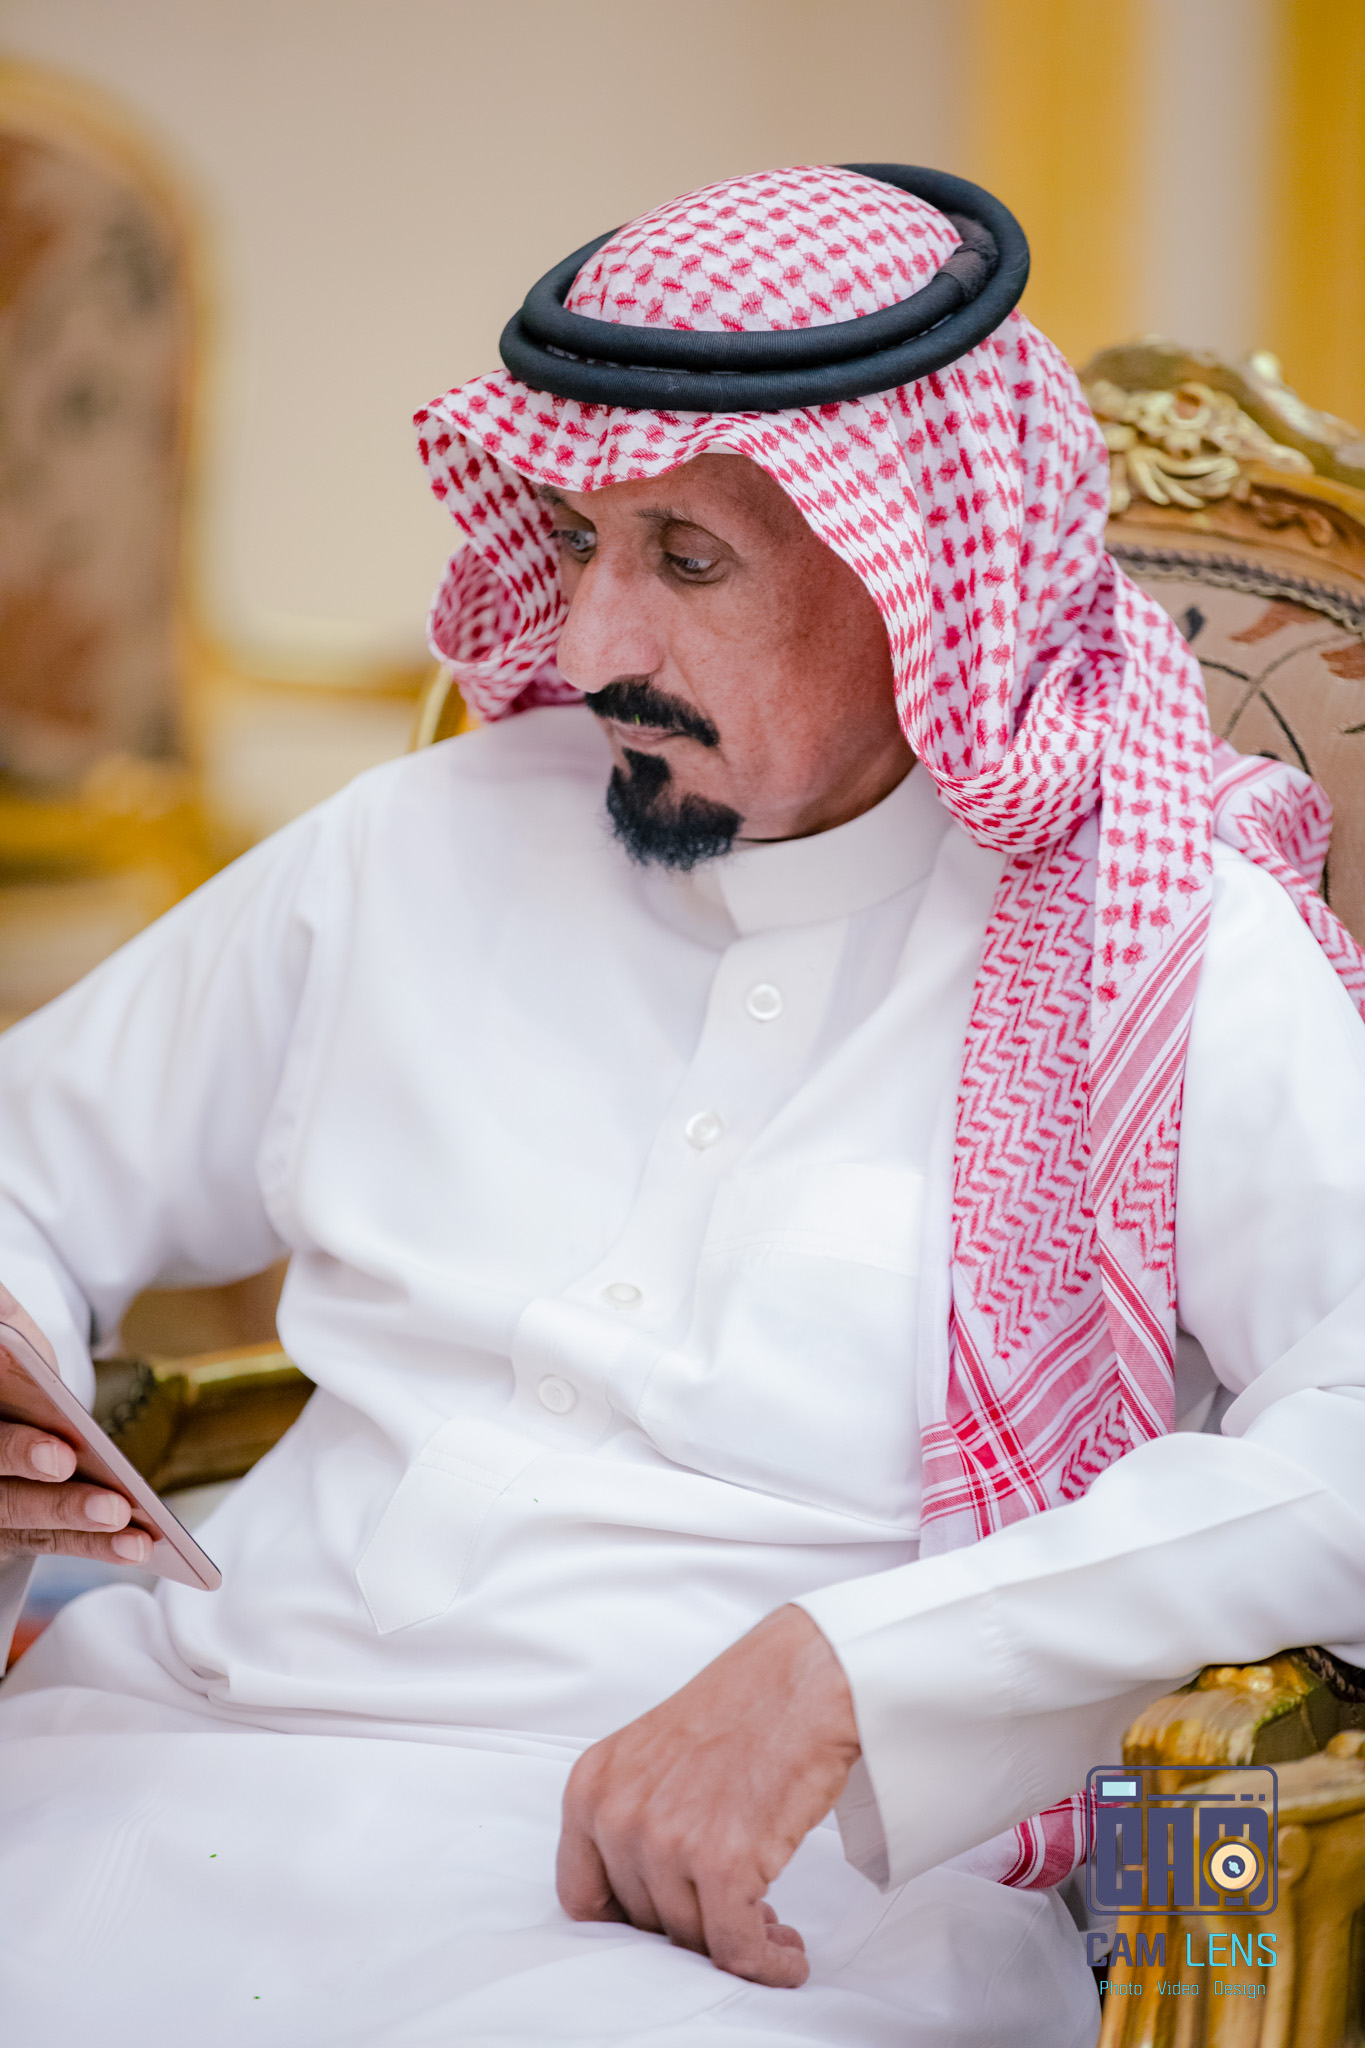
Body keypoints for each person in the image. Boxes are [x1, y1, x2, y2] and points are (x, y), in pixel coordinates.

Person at [1, 163, 1365, 2048]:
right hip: (167, 1769)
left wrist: (853, 1672)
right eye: (575, 542)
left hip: (740, 1907)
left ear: (915, 573)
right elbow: (29, 1159)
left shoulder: (1164, 950)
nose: (588, 649)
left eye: (687, 562)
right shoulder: (418, 845)